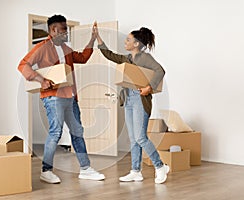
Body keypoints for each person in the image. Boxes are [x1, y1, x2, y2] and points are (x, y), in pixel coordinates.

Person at [18, 15, 105, 184]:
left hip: (71, 98)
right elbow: (23, 65)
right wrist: (40, 80)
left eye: (66, 28)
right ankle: (46, 170)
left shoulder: (66, 49)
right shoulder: (42, 48)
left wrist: (93, 39)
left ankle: (85, 168)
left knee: (77, 133)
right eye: (64, 29)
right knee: (55, 133)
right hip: (53, 98)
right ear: (53, 30)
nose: (66, 32)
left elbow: (83, 58)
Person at [94, 25, 169, 184]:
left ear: (136, 44)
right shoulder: (128, 59)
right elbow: (110, 55)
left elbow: (160, 71)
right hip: (128, 99)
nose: (125, 41)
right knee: (134, 138)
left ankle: (160, 166)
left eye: (128, 39)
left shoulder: (145, 58)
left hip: (140, 99)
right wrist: (98, 38)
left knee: (141, 138)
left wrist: (149, 88)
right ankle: (136, 171)